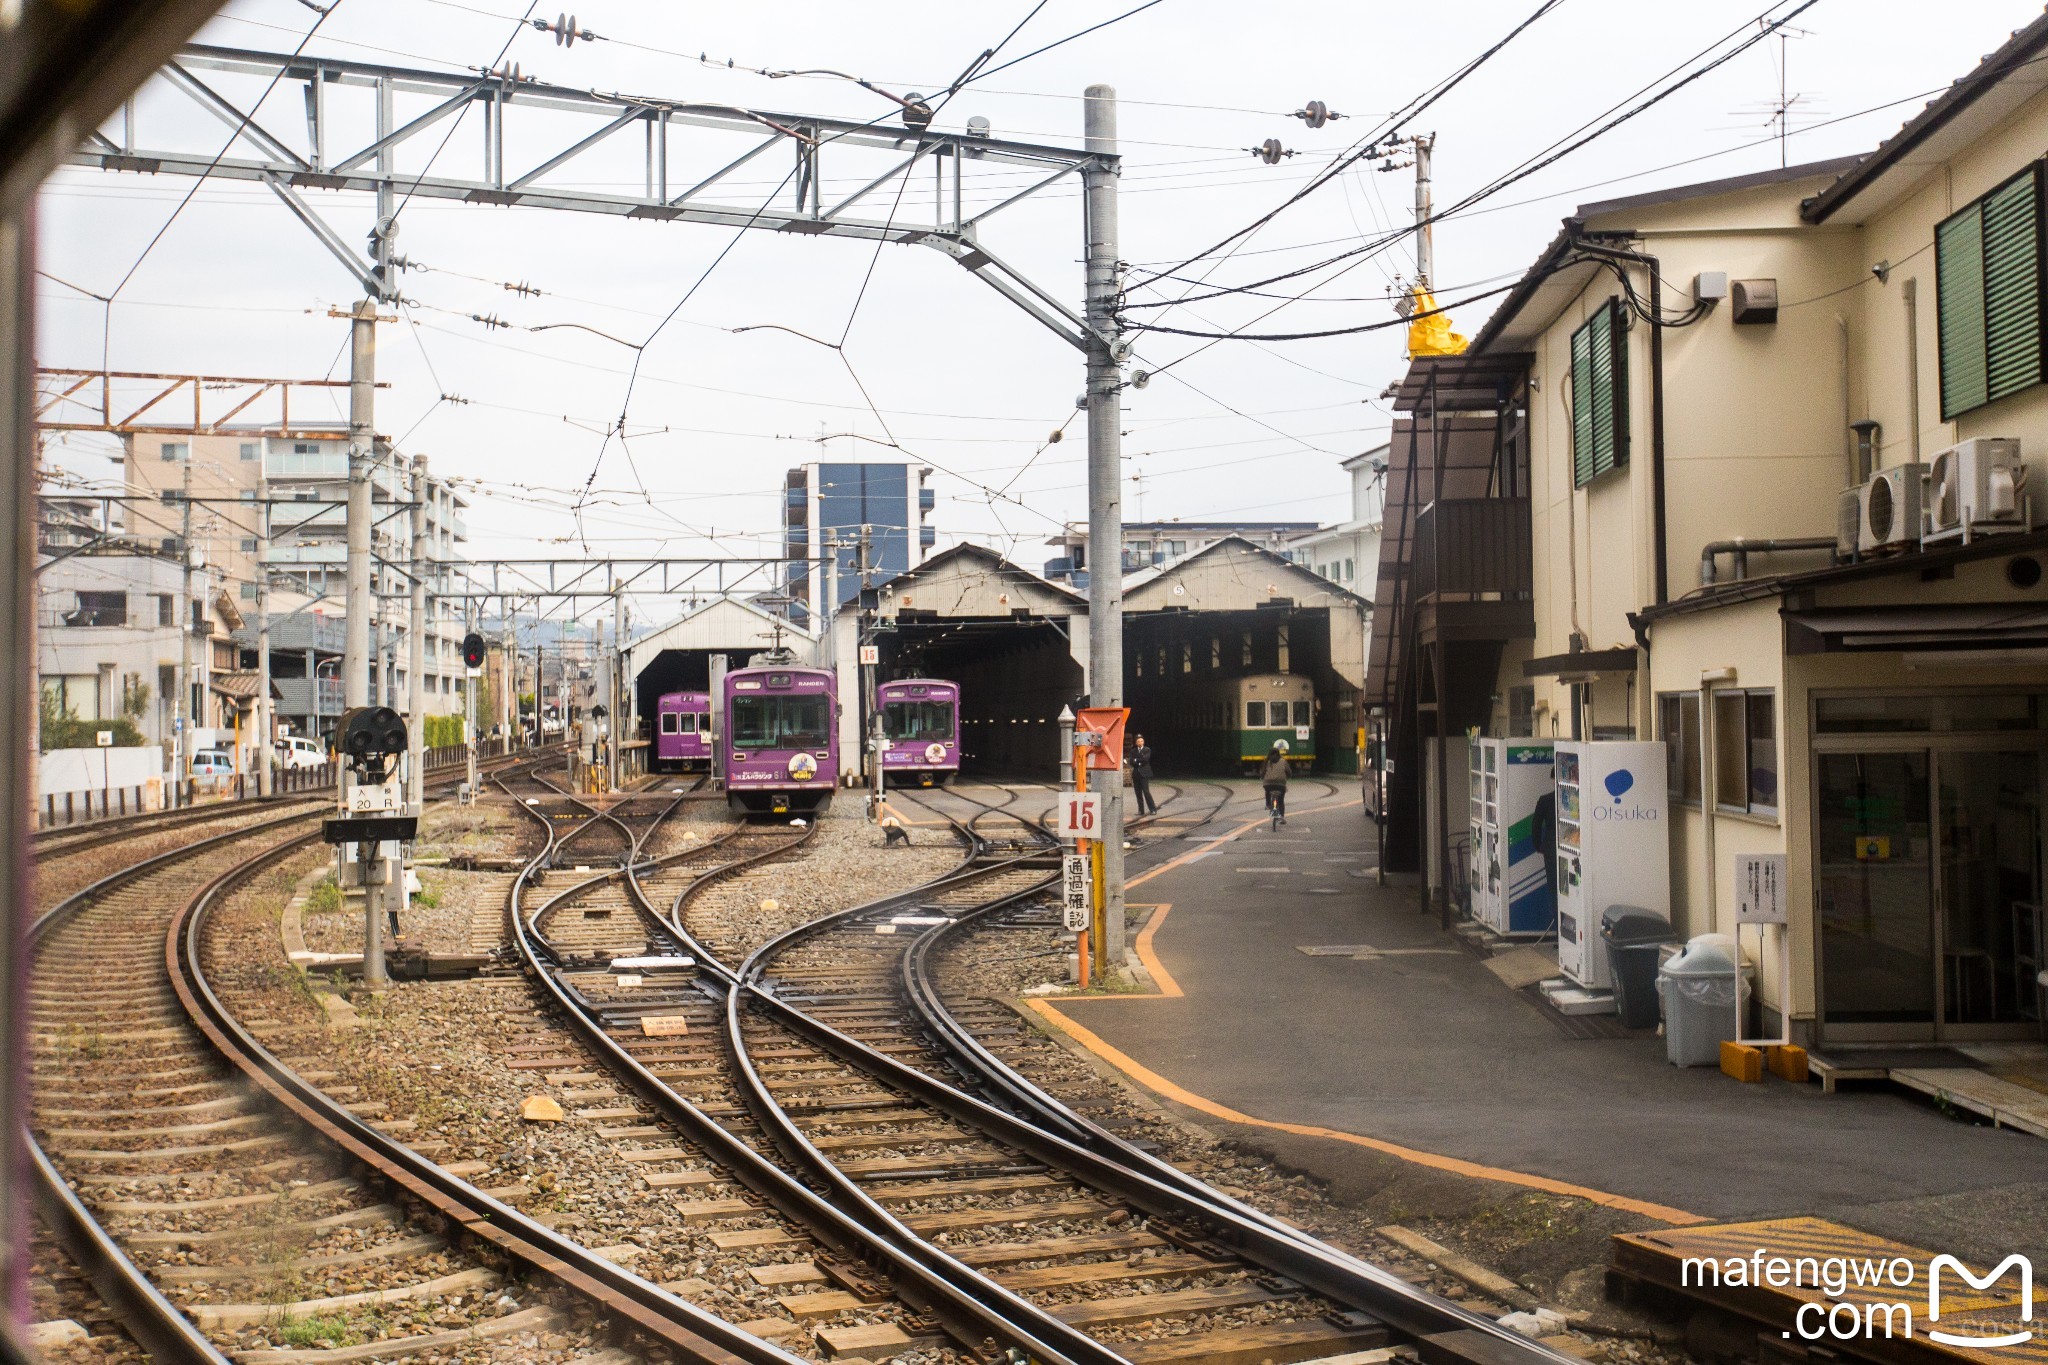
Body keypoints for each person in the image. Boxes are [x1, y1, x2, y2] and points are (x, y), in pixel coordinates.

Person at [1260, 742, 1290, 825]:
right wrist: (1286, 778)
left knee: (1267, 790)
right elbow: (1289, 772)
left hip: (1268, 784)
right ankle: (1281, 817)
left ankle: (1268, 804)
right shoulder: (1283, 761)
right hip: (1280, 784)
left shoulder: (1266, 762)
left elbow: (1262, 773)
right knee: (1280, 801)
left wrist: (1263, 778)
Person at [1129, 733, 1158, 816]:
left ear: (1143, 742)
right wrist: (1138, 759)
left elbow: (1145, 759)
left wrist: (1136, 760)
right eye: (1138, 741)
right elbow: (1131, 761)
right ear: (1136, 743)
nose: (1140, 742)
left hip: (1144, 773)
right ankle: (1141, 810)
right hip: (1136, 774)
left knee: (1146, 791)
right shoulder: (1133, 750)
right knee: (1138, 793)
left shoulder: (1147, 749)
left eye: (1141, 741)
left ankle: (1153, 809)